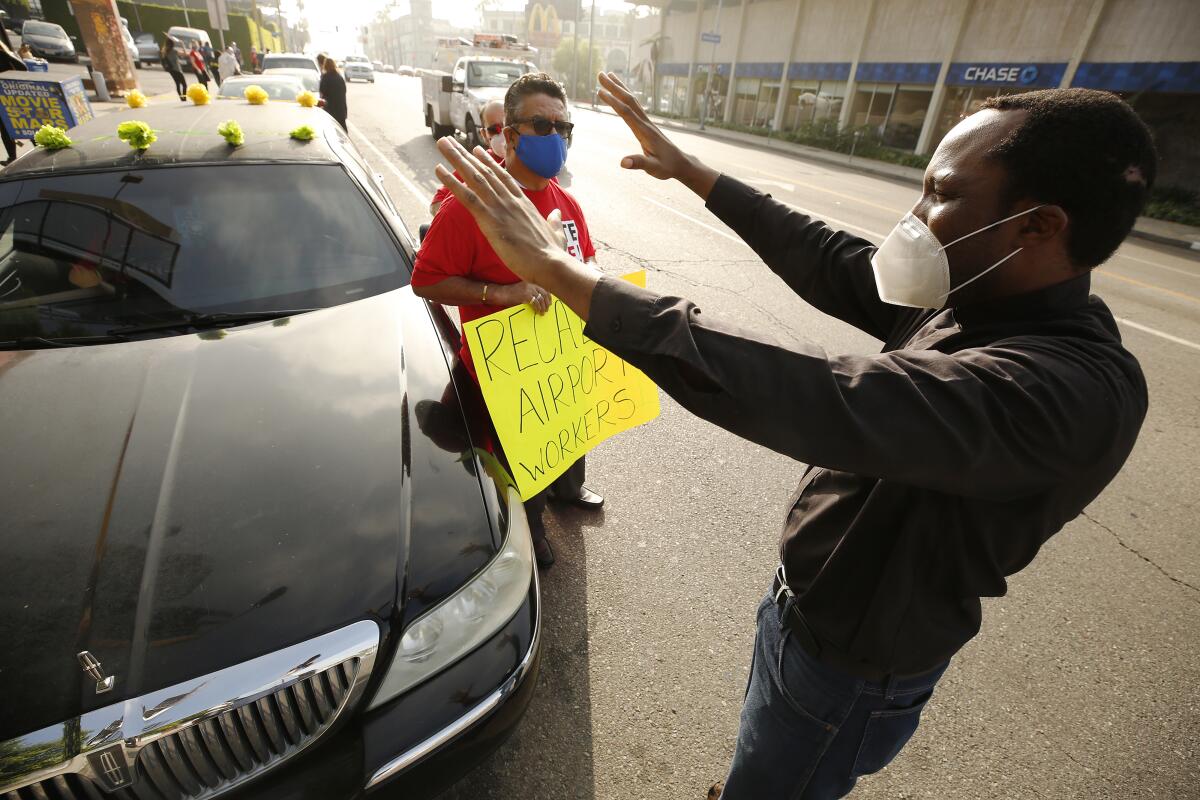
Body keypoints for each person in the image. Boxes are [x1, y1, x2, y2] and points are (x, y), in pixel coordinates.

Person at [431, 74, 1156, 799]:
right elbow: (829, 256)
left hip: (846, 673)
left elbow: (816, 394)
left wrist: (559, 274)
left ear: (1039, 226)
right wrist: (695, 175)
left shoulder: (1068, 390)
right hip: (802, 619)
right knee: (764, 761)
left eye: (944, 193)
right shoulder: (978, 293)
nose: (917, 214)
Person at [412, 72, 606, 569]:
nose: (556, 137)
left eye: (564, 127)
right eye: (543, 124)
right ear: (512, 134)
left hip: (556, 364)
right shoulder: (470, 210)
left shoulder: (567, 205)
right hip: (499, 373)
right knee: (515, 466)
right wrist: (503, 293)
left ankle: (564, 493)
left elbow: (588, 263)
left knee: (560, 442)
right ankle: (530, 527)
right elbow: (426, 281)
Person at [429, 99, 508, 216]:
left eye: (507, 126)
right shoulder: (475, 164)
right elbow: (437, 203)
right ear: (484, 135)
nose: (502, 134)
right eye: (494, 129)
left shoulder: (531, 165)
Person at [0, 34, 26, 165]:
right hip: (3, 96)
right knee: (4, 128)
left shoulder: (3, 54)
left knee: (23, 123)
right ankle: (12, 158)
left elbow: (23, 68)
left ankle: (40, 147)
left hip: (10, 95)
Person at [318, 55, 347, 131]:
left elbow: (322, 92)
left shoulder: (325, 77)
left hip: (330, 109)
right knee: (342, 131)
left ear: (325, 66)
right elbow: (344, 91)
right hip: (341, 109)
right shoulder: (339, 77)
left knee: (330, 131)